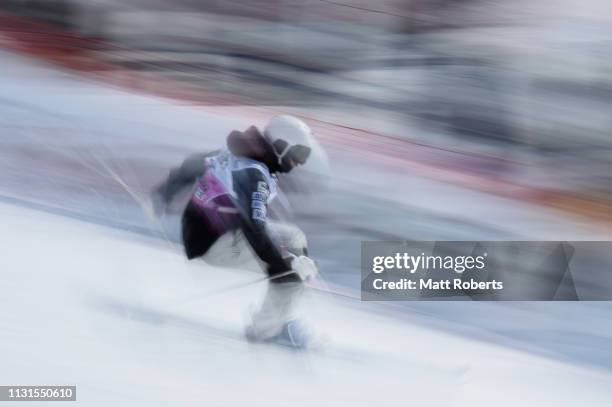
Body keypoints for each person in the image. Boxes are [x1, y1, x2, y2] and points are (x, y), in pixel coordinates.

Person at [149, 115, 320, 348]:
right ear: (282, 146)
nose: (300, 162)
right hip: (215, 243)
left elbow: (194, 164)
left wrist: (163, 193)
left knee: (294, 239)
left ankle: (279, 317)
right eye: (300, 154)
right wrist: (283, 266)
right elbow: (254, 229)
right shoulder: (254, 174)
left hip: (204, 231)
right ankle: (267, 330)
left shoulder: (237, 154)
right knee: (292, 271)